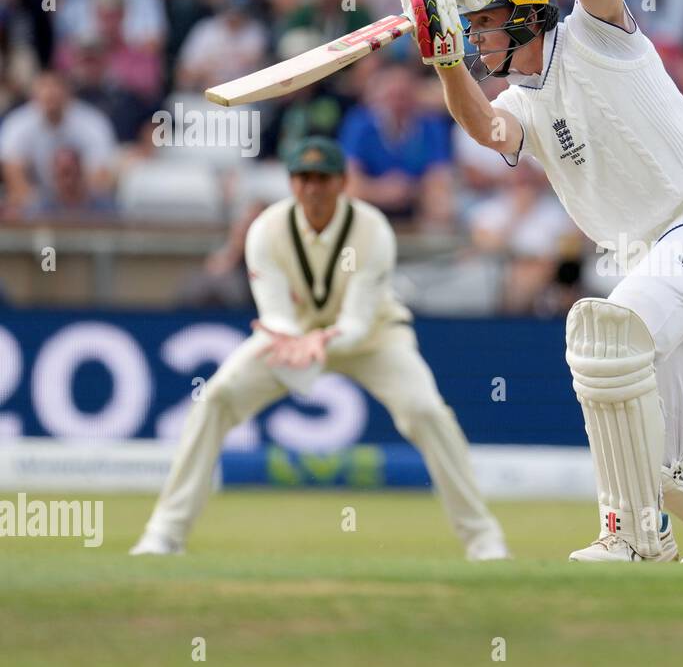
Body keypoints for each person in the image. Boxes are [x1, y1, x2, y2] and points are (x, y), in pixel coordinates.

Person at [400, 0, 683, 564]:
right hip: (665, 260)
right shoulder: (522, 103)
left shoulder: (595, 37)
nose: (478, 40)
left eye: (485, 25)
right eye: (472, 32)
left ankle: (632, 536)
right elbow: (487, 129)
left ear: (525, 15)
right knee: (670, 455)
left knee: (605, 336)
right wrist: (446, 61)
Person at [130, 137, 508, 560]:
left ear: (342, 183)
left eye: (322, 179)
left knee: (426, 411)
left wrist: (322, 340)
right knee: (216, 399)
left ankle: (484, 540)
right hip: (291, 340)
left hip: (373, 340)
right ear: (291, 183)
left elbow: (358, 322)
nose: (313, 188)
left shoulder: (373, 230)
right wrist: (294, 338)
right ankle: (165, 534)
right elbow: (274, 313)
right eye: (303, 178)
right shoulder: (266, 231)